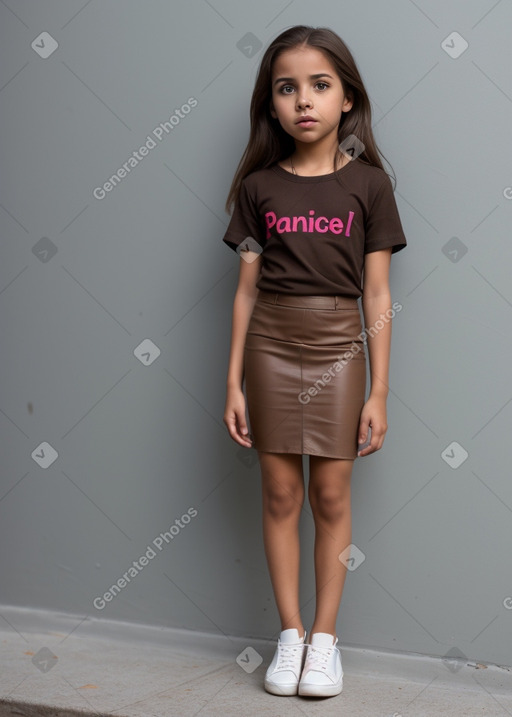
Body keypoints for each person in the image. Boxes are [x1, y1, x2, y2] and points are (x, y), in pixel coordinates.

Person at [221, 25, 407, 699]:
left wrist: (379, 389)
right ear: (271, 104)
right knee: (278, 494)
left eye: (320, 85)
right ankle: (290, 634)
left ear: (347, 98)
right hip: (270, 343)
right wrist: (233, 381)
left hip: (338, 345)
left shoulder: (370, 185)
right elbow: (244, 291)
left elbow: (379, 294)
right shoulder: (257, 187)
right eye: (287, 87)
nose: (304, 100)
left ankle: (325, 641)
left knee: (330, 494)